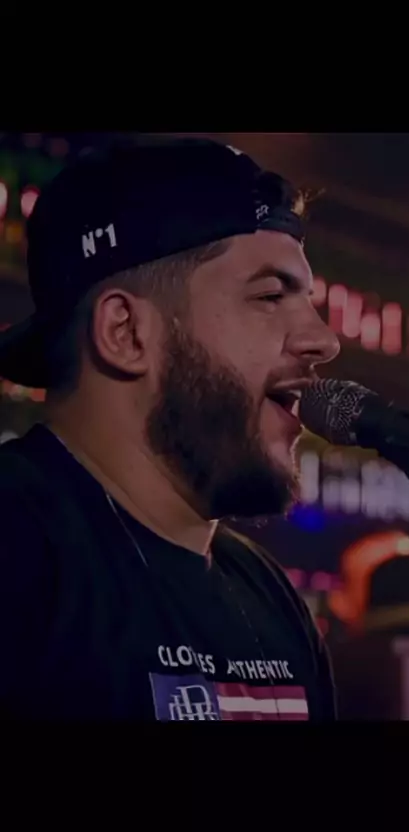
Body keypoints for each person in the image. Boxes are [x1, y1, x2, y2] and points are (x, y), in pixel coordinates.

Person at [0, 138, 340, 721]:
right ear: (126, 332)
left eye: (306, 300)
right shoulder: (17, 547)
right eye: (268, 295)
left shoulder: (267, 594)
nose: (324, 340)